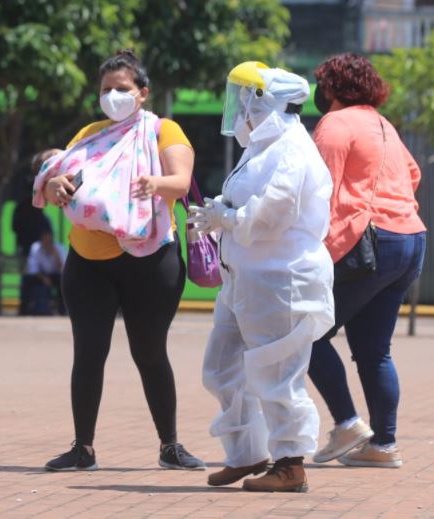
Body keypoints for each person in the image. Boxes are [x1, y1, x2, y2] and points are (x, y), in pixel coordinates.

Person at [32, 49, 205, 472]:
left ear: (142, 93)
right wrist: (54, 185)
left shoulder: (165, 130)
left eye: (122, 89)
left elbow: (180, 182)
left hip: (150, 258)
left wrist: (156, 182)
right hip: (88, 260)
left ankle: (170, 445)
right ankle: (82, 448)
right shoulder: (90, 134)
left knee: (149, 352)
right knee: (88, 352)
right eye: (106, 90)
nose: (113, 96)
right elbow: (62, 177)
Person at [187, 63, 334, 492]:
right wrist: (221, 211)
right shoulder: (263, 147)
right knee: (221, 369)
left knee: (277, 376)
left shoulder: (291, 148)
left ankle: (291, 464)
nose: (238, 109)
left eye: (244, 97)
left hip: (280, 280)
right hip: (245, 279)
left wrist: (225, 218)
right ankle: (246, 454)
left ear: (263, 100)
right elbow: (246, 202)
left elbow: (272, 215)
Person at [306, 53, 427, 469]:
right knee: (375, 351)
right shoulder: (383, 124)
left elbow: (318, 189)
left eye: (322, 85)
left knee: (306, 332)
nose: (319, 93)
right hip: (411, 238)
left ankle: (347, 423)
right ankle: (383, 445)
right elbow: (413, 175)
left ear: (334, 88)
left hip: (369, 243)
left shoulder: (336, 123)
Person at [17, 150, 58, 315]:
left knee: (30, 278)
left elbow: (47, 230)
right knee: (28, 277)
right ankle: (25, 308)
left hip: (36, 245)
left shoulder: (38, 209)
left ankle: (29, 308)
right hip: (28, 246)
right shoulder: (25, 208)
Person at [22, 229, 66, 315]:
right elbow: (33, 269)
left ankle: (62, 310)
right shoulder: (35, 247)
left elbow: (63, 269)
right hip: (40, 275)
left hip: (56, 275)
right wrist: (44, 278)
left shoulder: (59, 248)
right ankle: (24, 310)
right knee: (26, 280)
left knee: (63, 282)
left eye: (49, 240)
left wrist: (56, 254)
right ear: (41, 240)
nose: (47, 242)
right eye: (45, 239)